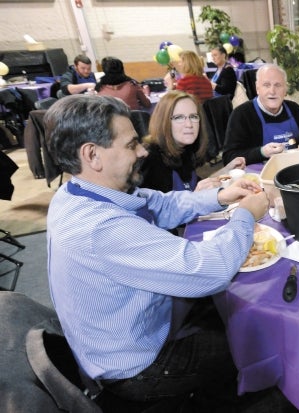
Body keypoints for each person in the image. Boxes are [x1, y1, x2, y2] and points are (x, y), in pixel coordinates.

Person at [44, 94, 269, 410]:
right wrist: (246, 214)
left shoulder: (78, 191)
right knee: (255, 344)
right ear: (92, 154)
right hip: (138, 367)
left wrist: (222, 196)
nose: (141, 151)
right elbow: (210, 270)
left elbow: (161, 203)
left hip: (124, 333)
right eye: (130, 144)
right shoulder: (100, 229)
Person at [221, 63, 299, 165]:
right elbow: (229, 157)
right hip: (259, 180)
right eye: (266, 85)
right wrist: (261, 152)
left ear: (285, 90)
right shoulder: (241, 115)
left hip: (295, 171)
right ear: (257, 88)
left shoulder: (294, 109)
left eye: (278, 85)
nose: (272, 91)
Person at [141, 90, 245, 193]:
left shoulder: (185, 148)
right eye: (179, 117)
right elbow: (154, 209)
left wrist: (226, 170)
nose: (189, 124)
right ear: (163, 121)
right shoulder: (149, 158)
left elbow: (194, 186)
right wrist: (195, 196)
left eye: (193, 116)